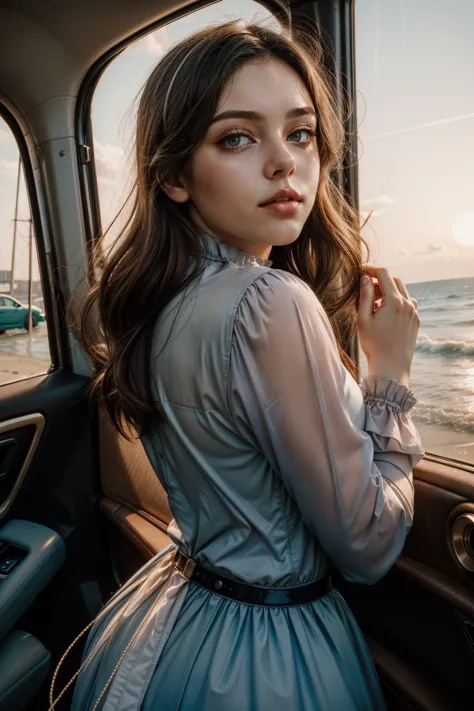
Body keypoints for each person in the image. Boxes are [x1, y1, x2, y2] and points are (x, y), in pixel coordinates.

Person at [68, 19, 424, 711]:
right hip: (270, 652)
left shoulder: (160, 305)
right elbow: (369, 544)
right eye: (237, 137)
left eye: (300, 133)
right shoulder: (271, 300)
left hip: (179, 616)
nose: (284, 162)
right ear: (173, 174)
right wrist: (391, 374)